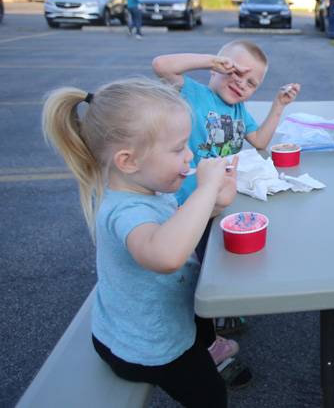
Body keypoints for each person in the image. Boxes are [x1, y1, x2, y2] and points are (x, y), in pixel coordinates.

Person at [41, 78, 239, 407]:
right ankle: (205, 353)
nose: (190, 154)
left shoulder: (149, 188)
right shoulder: (125, 211)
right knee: (212, 396)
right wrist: (205, 190)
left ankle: (208, 344)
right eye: (178, 149)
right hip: (145, 346)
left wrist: (216, 202)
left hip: (153, 314)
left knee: (201, 306)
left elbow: (177, 225)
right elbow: (165, 255)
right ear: (128, 161)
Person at [152, 40, 300, 334]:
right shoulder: (192, 93)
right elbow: (161, 65)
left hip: (217, 203)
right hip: (184, 204)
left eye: (251, 82)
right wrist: (210, 60)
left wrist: (278, 106)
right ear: (217, 68)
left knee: (215, 261)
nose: (241, 84)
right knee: (185, 264)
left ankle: (218, 309)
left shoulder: (240, 112)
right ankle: (191, 321)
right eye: (234, 71)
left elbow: (259, 141)